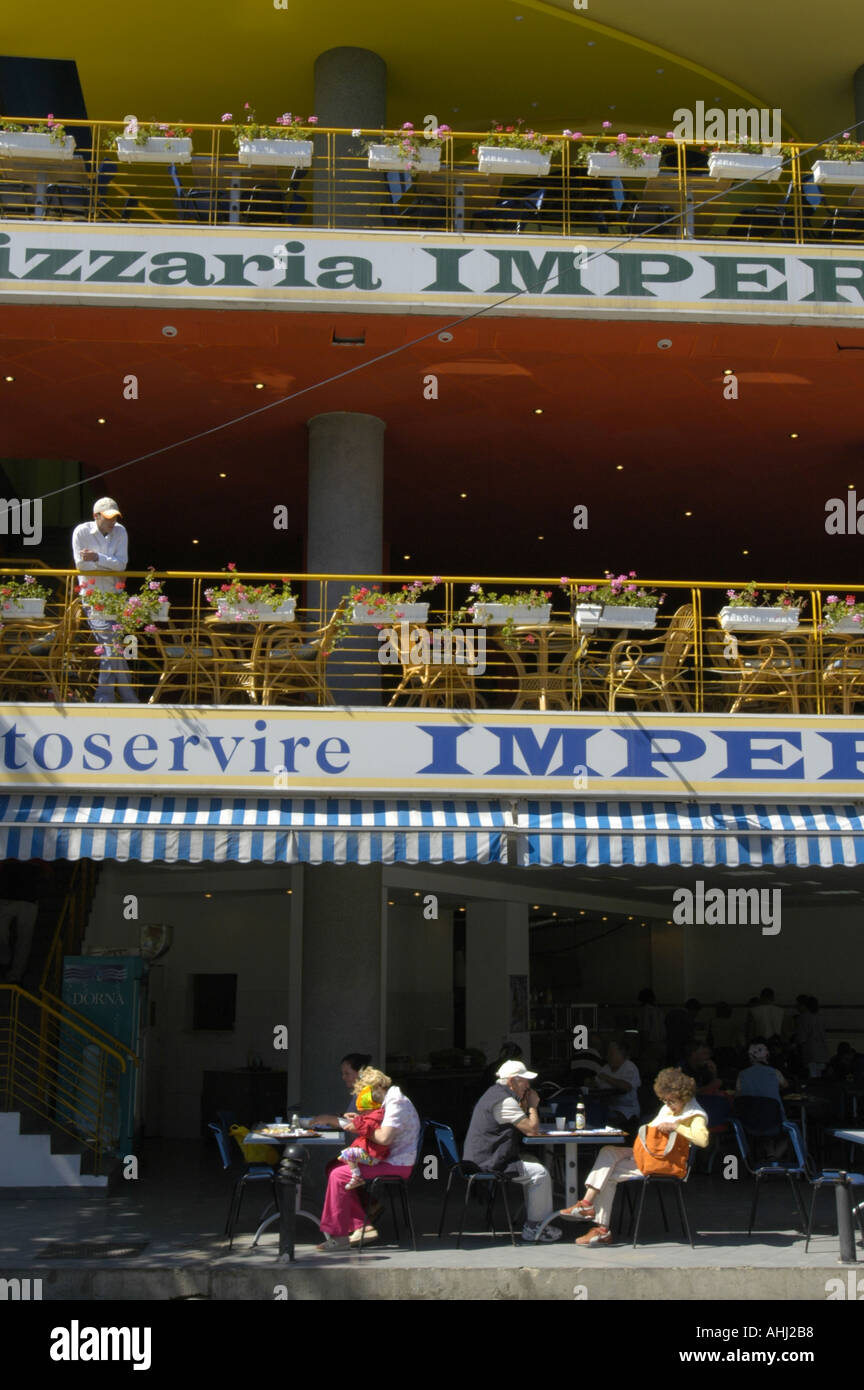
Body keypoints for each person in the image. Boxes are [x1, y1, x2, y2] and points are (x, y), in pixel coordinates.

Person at [560, 1067, 709, 1246]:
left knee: (607, 1174)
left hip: (667, 1162)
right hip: (653, 1155)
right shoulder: (669, 1108)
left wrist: (677, 1127)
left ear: (683, 1097)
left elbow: (703, 1140)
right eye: (664, 1100)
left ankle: (601, 1227)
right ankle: (587, 1205)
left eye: (671, 1101)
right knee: (607, 1151)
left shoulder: (695, 1114)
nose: (667, 1105)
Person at [317, 1067, 420, 1250]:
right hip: (387, 1158)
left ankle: (340, 1237)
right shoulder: (389, 1101)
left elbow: (383, 1138)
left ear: (377, 1088)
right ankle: (362, 1222)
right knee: (333, 1166)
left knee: (339, 1175)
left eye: (366, 1093)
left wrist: (358, 1126)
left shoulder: (397, 1103)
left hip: (396, 1163)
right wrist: (360, 1120)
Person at [462, 1059, 562, 1244]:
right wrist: (533, 1105)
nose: (528, 1085)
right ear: (512, 1081)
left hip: (480, 1157)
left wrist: (524, 1101)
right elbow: (532, 1130)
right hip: (487, 1162)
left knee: (532, 1161)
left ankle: (536, 1217)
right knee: (539, 1173)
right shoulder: (504, 1101)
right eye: (524, 1080)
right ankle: (534, 1227)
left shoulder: (494, 1093)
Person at [72, 497, 137, 703]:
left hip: (114, 598)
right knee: (112, 647)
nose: (113, 521)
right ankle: (117, 698)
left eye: (115, 517)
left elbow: (122, 565)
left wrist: (97, 558)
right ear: (96, 516)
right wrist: (109, 564)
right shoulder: (81, 532)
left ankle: (116, 697)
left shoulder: (121, 531)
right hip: (93, 599)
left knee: (114, 647)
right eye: (109, 517)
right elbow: (83, 567)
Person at [338, 1078, 390, 1190]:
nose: (362, 1114)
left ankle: (357, 1177)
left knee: (349, 1154)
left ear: (371, 1108)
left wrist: (357, 1121)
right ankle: (356, 1175)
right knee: (346, 1155)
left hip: (373, 1155)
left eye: (364, 1111)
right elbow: (367, 1123)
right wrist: (358, 1118)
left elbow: (367, 1128)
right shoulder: (375, 1115)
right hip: (372, 1153)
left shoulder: (377, 1117)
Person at [311, 1051, 372, 1127]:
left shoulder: (367, 1094)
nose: (343, 1077)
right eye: (343, 1073)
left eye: (347, 1073)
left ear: (360, 1073)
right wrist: (342, 1117)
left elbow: (363, 1125)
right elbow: (356, 1119)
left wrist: (328, 1119)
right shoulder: (359, 1093)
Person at [593, 1040, 641, 1124]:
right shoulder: (606, 1068)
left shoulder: (630, 1067)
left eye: (611, 1053)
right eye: (608, 1053)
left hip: (626, 1110)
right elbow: (596, 1084)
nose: (608, 1056)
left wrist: (607, 1078)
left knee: (607, 1120)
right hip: (608, 1107)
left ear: (621, 1053)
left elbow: (626, 1087)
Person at [794, 996, 830, 1079]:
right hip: (822, 1053)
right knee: (819, 1079)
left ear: (804, 1005)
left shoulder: (802, 1018)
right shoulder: (820, 1017)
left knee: (812, 1079)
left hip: (810, 1053)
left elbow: (801, 1038)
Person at [634, 988, 665, 1078]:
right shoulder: (659, 1010)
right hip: (662, 1045)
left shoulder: (645, 1011)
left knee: (648, 1075)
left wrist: (641, 1049)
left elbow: (645, 1031)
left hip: (650, 1046)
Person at [664, 998, 701, 1064]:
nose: (696, 1015)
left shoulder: (673, 1013)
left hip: (670, 1046)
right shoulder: (687, 1018)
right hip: (680, 1049)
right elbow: (689, 1036)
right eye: (696, 1012)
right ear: (694, 1009)